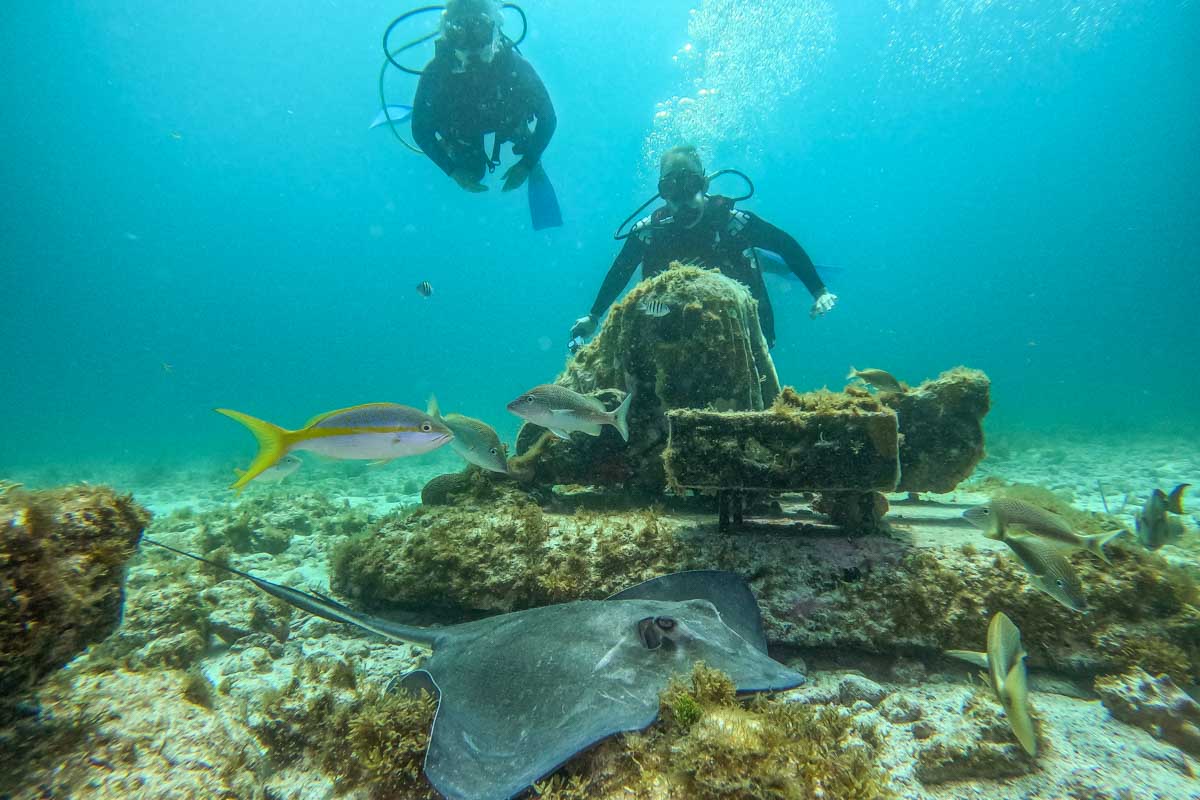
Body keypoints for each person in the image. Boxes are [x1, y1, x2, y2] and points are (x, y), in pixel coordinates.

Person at [570, 146, 837, 348]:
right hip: (674, 335)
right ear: (662, 191)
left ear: (704, 183)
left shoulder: (733, 222)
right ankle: (764, 263)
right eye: (671, 186)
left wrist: (819, 290)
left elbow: (785, 244)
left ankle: (764, 264)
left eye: (689, 183)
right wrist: (594, 316)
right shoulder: (650, 232)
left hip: (739, 331)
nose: (682, 195)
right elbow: (621, 270)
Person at [411, 0, 556, 197]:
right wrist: (453, 171)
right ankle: (452, 146)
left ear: (495, 29)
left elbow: (548, 118)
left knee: (527, 143)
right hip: (462, 132)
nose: (472, 45)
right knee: (473, 172)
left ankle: (529, 149)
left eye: (479, 29)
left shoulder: (514, 67)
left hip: (508, 123)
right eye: (460, 31)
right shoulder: (436, 73)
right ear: (449, 36)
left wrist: (527, 164)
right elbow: (420, 130)